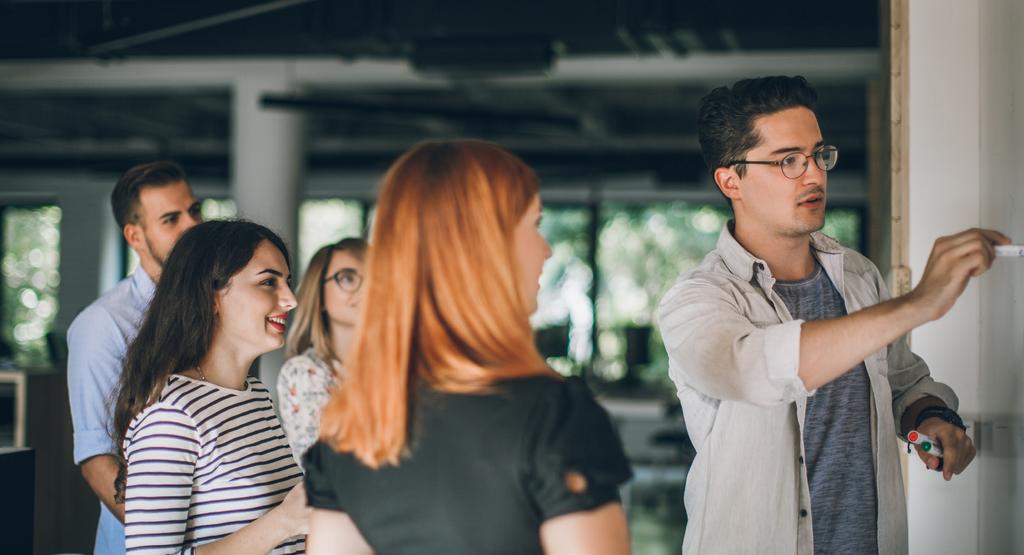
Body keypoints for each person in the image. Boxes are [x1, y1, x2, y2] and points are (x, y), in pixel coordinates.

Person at [657, 75, 1010, 554]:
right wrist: (918, 303)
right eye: (788, 161)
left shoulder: (858, 276)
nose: (814, 175)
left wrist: (931, 417)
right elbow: (752, 369)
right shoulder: (697, 300)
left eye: (819, 155)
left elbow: (902, 381)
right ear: (730, 180)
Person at [302, 140, 633, 555]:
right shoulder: (554, 416)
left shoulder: (350, 428)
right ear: (484, 248)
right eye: (533, 225)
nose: (545, 249)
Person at [112, 220, 308, 554]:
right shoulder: (172, 416)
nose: (289, 299)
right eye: (268, 282)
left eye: (287, 283)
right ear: (211, 296)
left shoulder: (255, 394)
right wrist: (285, 521)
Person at [66, 161, 201, 554]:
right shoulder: (102, 325)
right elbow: (96, 460)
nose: (192, 226)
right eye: (171, 219)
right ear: (135, 236)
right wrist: (168, 538)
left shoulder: (214, 309)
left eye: (194, 211)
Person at [278, 238, 368, 463]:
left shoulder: (399, 365)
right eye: (348, 278)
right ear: (319, 293)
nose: (367, 289)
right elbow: (320, 466)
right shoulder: (303, 373)